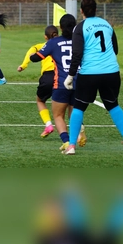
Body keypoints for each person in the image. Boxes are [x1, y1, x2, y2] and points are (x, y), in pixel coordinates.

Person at [63, 0, 123, 156]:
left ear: (81, 11)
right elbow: (115, 49)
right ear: (96, 10)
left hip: (89, 73)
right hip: (112, 73)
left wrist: (70, 75)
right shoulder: (107, 24)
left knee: (79, 106)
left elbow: (77, 54)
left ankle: (72, 146)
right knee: (112, 105)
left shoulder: (80, 27)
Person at [30, 14, 86, 153]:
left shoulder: (54, 42)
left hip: (61, 83)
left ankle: (67, 143)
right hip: (79, 82)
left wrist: (33, 54)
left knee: (58, 115)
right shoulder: (80, 41)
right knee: (73, 115)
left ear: (60, 27)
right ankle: (78, 132)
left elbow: (36, 58)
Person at [17, 25, 59, 138]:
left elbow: (31, 52)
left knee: (40, 101)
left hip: (47, 78)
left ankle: (49, 125)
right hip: (61, 77)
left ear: (45, 37)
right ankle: (79, 130)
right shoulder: (63, 44)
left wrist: (23, 65)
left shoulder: (42, 46)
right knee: (66, 105)